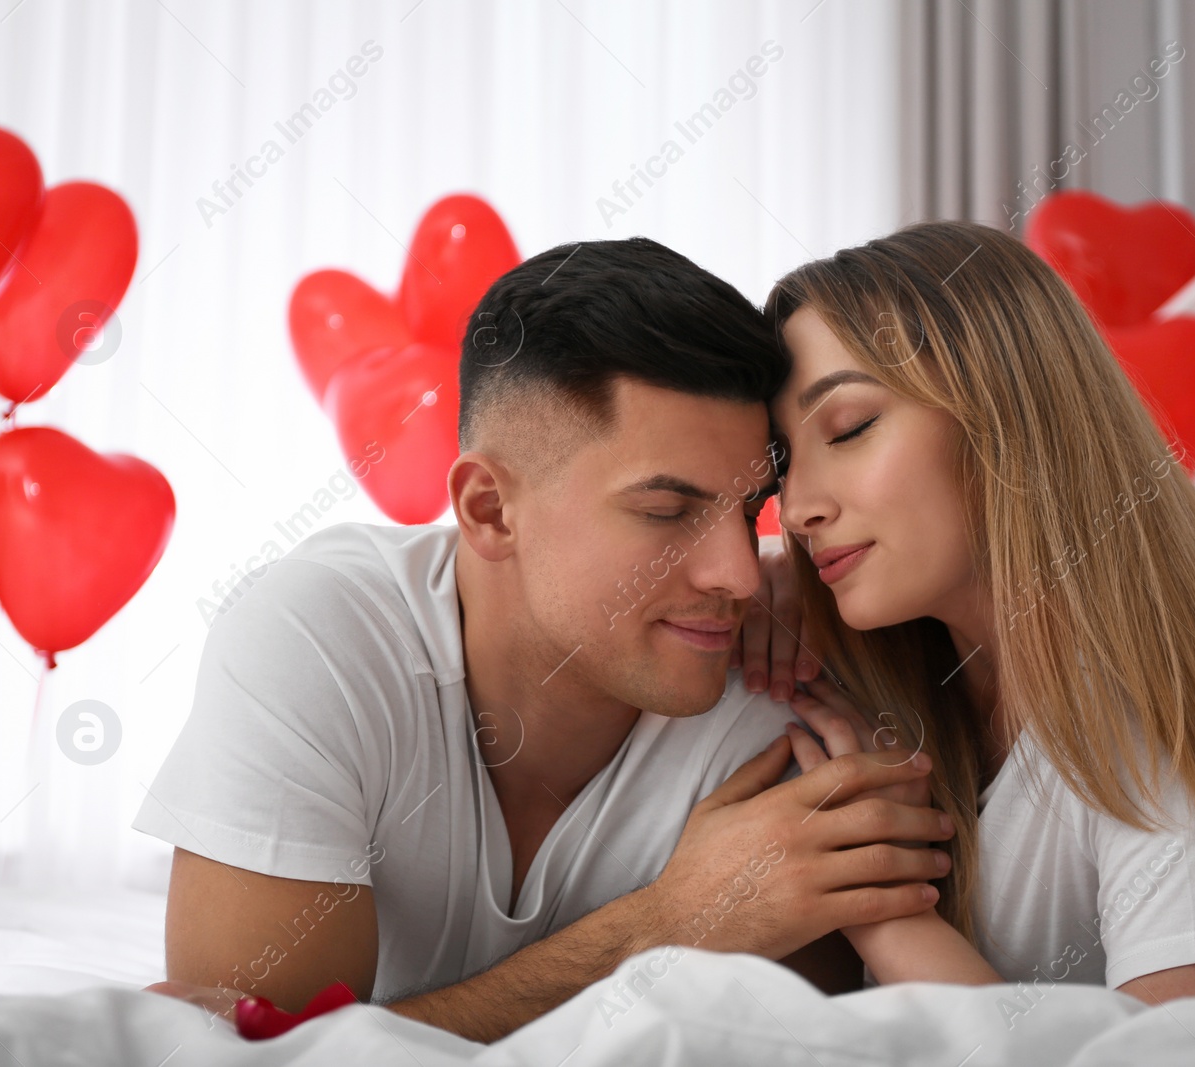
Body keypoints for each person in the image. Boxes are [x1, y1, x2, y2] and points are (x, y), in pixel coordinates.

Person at [135, 236, 953, 1044]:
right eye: (667, 513)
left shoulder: (779, 708)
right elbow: (253, 1057)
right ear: (490, 509)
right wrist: (664, 927)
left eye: (749, 512)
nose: (740, 575)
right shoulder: (317, 641)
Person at [740, 219, 1195, 1007]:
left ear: (1007, 414)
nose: (801, 506)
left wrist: (880, 906)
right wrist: (759, 584)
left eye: (849, 428)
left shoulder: (1153, 719)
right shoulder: (923, 696)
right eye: (784, 461)